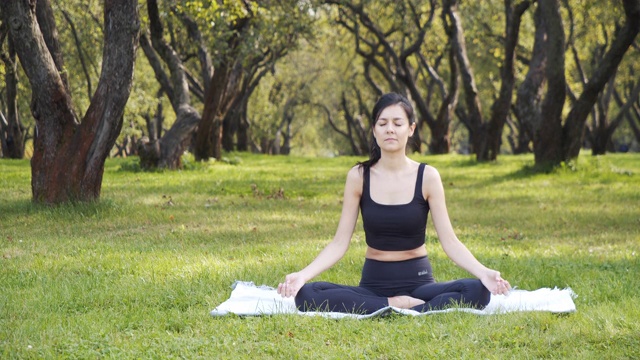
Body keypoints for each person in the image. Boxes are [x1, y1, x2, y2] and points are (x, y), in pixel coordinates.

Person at [277, 93, 511, 314]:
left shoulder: (428, 176)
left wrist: (484, 273)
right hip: (373, 284)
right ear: (374, 130)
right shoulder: (359, 176)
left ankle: (390, 307)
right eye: (383, 123)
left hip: (419, 284)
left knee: (477, 291)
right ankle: (394, 304)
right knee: (307, 294)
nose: (390, 129)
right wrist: (302, 276)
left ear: (411, 129)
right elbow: (339, 243)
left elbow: (450, 242)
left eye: (398, 123)